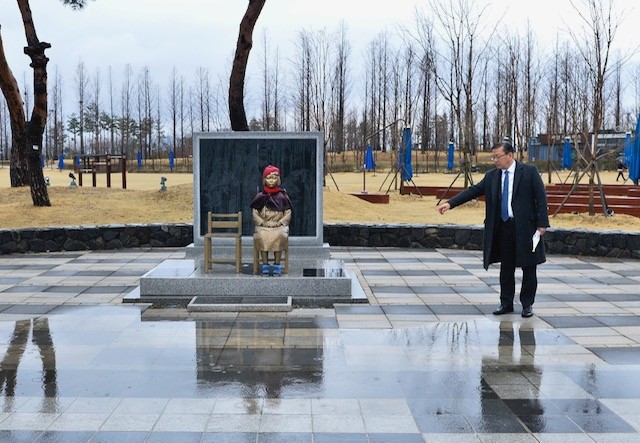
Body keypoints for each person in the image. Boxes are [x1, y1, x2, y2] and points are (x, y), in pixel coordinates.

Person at [436, 142, 549, 318]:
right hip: (503, 228)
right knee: (506, 268)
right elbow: (473, 190)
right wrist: (450, 203)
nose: (495, 160)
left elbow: (541, 198)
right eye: (493, 157)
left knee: (528, 267)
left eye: (498, 156)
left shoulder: (529, 171)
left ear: (510, 155)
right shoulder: (492, 176)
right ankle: (506, 303)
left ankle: (527, 304)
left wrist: (542, 224)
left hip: (526, 228)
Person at [250, 165, 292, 276]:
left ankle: (277, 264)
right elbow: (255, 213)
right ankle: (265, 264)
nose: (271, 180)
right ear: (264, 180)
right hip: (264, 225)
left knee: (280, 235)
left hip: (279, 226)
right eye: (269, 178)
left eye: (273, 178)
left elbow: (288, 212)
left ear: (278, 179)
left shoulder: (283, 196)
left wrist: (280, 222)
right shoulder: (260, 196)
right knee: (262, 235)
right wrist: (262, 222)